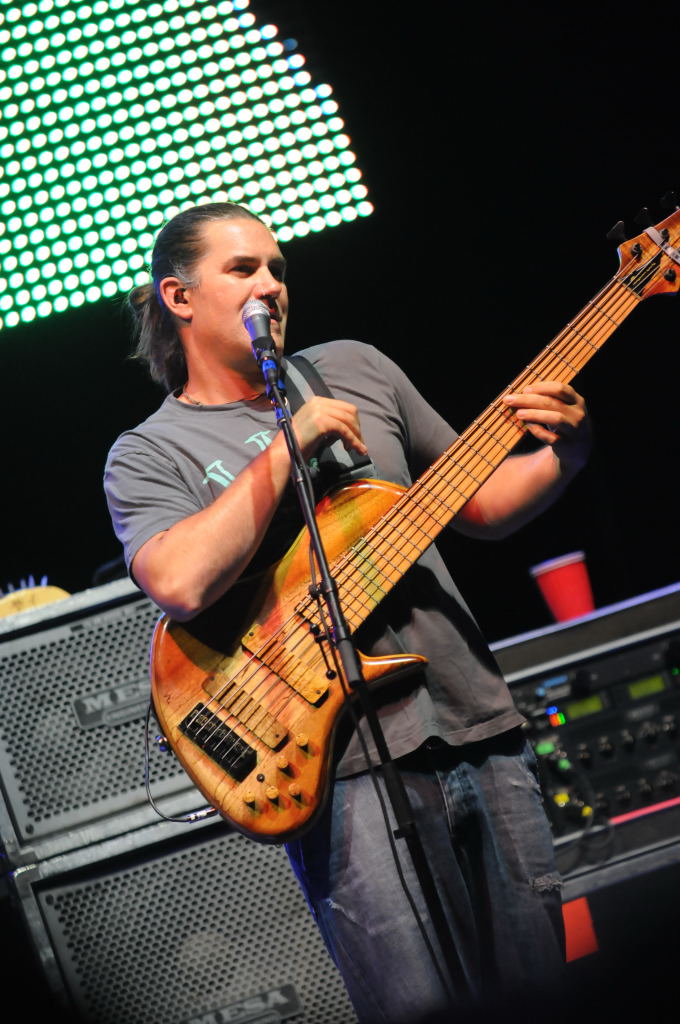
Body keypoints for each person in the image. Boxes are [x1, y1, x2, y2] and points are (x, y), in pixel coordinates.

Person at [104, 201, 591, 1023]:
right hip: (342, 773)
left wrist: (568, 453)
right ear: (179, 297)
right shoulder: (150, 451)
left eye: (277, 269)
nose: (270, 285)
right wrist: (285, 446)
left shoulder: (356, 367)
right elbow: (179, 583)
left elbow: (481, 504)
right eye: (242, 269)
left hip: (475, 724)